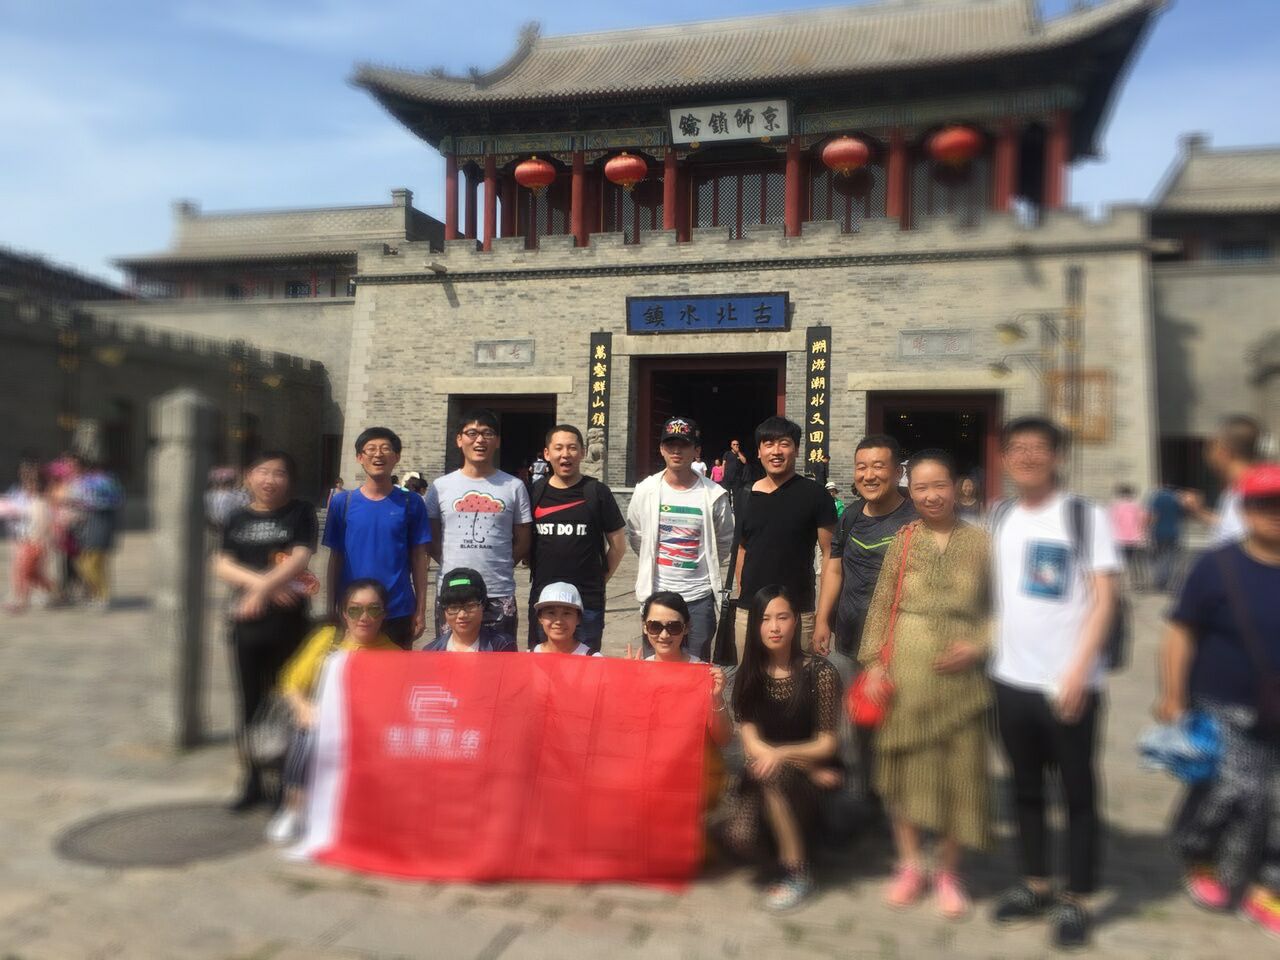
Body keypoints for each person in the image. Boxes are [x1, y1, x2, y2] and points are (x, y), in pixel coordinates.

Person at [987, 417, 1119, 950]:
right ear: (1004, 458)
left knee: (1077, 794)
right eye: (1016, 448)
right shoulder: (1001, 516)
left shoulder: (1085, 516)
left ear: (1057, 456)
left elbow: (1105, 599)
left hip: (1068, 684)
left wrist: (1079, 671)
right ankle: (1036, 883)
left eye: (1037, 448)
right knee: (1024, 789)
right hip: (1010, 679)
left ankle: (1077, 898)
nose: (1026, 456)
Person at [857, 451, 993, 919]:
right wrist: (874, 664)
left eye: (940, 485)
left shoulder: (982, 544)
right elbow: (882, 604)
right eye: (921, 487)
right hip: (906, 676)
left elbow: (1001, 611)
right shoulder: (904, 540)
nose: (931, 495)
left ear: (958, 487)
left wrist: (979, 644)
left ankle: (949, 872)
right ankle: (911, 864)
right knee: (905, 773)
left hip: (962, 683)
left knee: (961, 777)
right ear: (910, 492)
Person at [1156, 463, 1280, 937]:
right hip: (1224, 704)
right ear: (1245, 510)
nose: (1274, 512)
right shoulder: (1217, 565)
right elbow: (1181, 632)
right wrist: (1173, 695)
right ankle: (1204, 856)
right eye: (1263, 503)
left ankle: (1266, 884)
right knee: (1238, 792)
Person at [720, 585, 841, 911]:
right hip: (768, 770)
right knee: (739, 837)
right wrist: (789, 761)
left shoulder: (820, 673)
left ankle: (797, 872)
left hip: (809, 777)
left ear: (796, 621)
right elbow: (750, 742)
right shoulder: (750, 674)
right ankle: (791, 846)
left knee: (774, 776)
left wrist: (783, 756)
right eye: (765, 618)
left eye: (782, 617)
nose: (774, 627)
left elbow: (828, 742)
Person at [814, 434, 917, 811]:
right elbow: (834, 568)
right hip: (853, 641)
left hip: (900, 646)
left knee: (901, 724)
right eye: (862, 467)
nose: (869, 475)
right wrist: (823, 619)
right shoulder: (851, 516)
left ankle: (904, 801)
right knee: (861, 722)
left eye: (878, 466)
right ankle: (871, 799)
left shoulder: (915, 518)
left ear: (897, 472)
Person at [214, 451, 318, 811]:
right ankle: (251, 779)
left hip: (289, 624)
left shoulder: (300, 512)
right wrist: (264, 587)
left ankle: (284, 781)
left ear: (290, 480)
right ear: (248, 476)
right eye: (263, 472)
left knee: (286, 700)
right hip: (247, 622)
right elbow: (222, 564)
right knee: (249, 701)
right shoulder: (235, 516)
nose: (270, 479)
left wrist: (259, 591)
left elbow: (301, 557)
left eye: (278, 473)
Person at [266, 578, 400, 844]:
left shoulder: (394, 654)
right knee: (306, 736)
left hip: (367, 731)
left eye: (373, 609)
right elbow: (290, 681)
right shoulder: (327, 639)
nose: (364, 617)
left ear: (384, 613)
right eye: (355, 609)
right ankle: (294, 807)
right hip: (319, 722)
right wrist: (303, 707)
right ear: (344, 613)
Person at [626, 417, 734, 661]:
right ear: (662, 449)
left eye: (684, 445)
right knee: (656, 667)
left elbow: (724, 541)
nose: (676, 451)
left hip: (698, 597)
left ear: (696, 451)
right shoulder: (646, 490)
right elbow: (636, 534)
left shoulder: (714, 494)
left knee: (696, 666)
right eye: (670, 444)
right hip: (657, 595)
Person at [629, 591, 733, 835]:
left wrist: (716, 698)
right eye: (655, 626)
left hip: (690, 775)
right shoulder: (637, 670)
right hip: (648, 775)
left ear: (686, 628)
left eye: (673, 627)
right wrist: (628, 686)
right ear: (645, 627)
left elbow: (724, 738)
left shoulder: (703, 673)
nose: (664, 635)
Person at [735, 416, 838, 658]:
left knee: (799, 680)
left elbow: (831, 555)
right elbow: (742, 549)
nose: (776, 451)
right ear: (759, 451)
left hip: (798, 612)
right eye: (768, 444)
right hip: (751, 612)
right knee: (748, 678)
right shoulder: (745, 494)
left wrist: (822, 618)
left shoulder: (816, 496)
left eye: (784, 443)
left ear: (797, 449)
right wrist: (744, 597)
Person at [426, 409, 532, 640]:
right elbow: (431, 537)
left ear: (497, 441)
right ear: (459, 439)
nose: (479, 440)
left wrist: (502, 564)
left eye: (487, 433)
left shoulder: (513, 486)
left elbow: (524, 538)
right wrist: (452, 563)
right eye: (472, 433)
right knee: (452, 657)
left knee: (500, 657)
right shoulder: (440, 487)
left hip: (498, 591)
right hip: (453, 591)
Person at [324, 427, 432, 650]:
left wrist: (420, 609)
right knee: (354, 671)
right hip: (354, 611)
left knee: (397, 672)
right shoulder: (343, 503)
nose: (378, 454)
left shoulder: (411, 502)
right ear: (359, 457)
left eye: (385, 449)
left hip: (397, 608)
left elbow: (419, 559)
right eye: (371, 449)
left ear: (397, 456)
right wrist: (331, 607)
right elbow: (336, 558)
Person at [528, 424, 626, 652]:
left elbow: (618, 546)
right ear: (547, 453)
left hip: (586, 602)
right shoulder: (534, 492)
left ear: (582, 452)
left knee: (586, 665)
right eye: (559, 448)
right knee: (542, 665)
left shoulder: (597, 492)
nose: (565, 454)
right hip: (545, 601)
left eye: (572, 448)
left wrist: (600, 580)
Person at [1179, 415, 1261, 545]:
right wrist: (1200, 512)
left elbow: (1243, 542)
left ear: (1222, 452)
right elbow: (1232, 527)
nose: (1206, 454)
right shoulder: (1237, 488)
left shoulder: (1252, 492)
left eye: (1210, 447)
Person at [68, 456, 124, 609]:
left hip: (102, 526)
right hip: (89, 528)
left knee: (93, 564)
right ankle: (98, 594)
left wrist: (89, 502)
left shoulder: (104, 481)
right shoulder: (84, 482)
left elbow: (116, 500)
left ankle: (103, 596)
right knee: (85, 564)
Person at [423, 568, 518, 652]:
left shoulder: (502, 646)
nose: (462, 615)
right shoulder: (431, 651)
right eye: (454, 608)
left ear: (483, 605)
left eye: (470, 606)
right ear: (444, 609)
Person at [3, 464, 55, 613]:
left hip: (35, 542)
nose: (28, 486)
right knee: (26, 572)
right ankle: (51, 593)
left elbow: (45, 526)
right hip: (24, 540)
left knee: (26, 572)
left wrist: (42, 542)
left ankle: (22, 601)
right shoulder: (25, 499)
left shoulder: (41, 502)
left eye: (31, 483)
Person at [531, 582, 601, 656]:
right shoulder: (528, 656)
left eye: (566, 613)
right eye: (551, 613)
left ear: (578, 618)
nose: (558, 621)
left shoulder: (594, 658)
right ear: (540, 618)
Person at [1109, 484, 1148, 591]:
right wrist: (1143, 536)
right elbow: (1143, 521)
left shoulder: (1115, 507)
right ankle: (1137, 583)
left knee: (1120, 563)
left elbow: (1111, 523)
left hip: (1119, 539)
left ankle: (1120, 584)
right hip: (1135, 539)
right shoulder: (1137, 506)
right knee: (1136, 563)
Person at [1147, 483, 1185, 592]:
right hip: (1173, 532)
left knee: (1157, 556)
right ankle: (1165, 580)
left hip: (1158, 531)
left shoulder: (1156, 498)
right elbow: (1182, 515)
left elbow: (1153, 516)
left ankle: (1159, 579)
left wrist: (1148, 530)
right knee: (1169, 558)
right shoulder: (1177, 499)